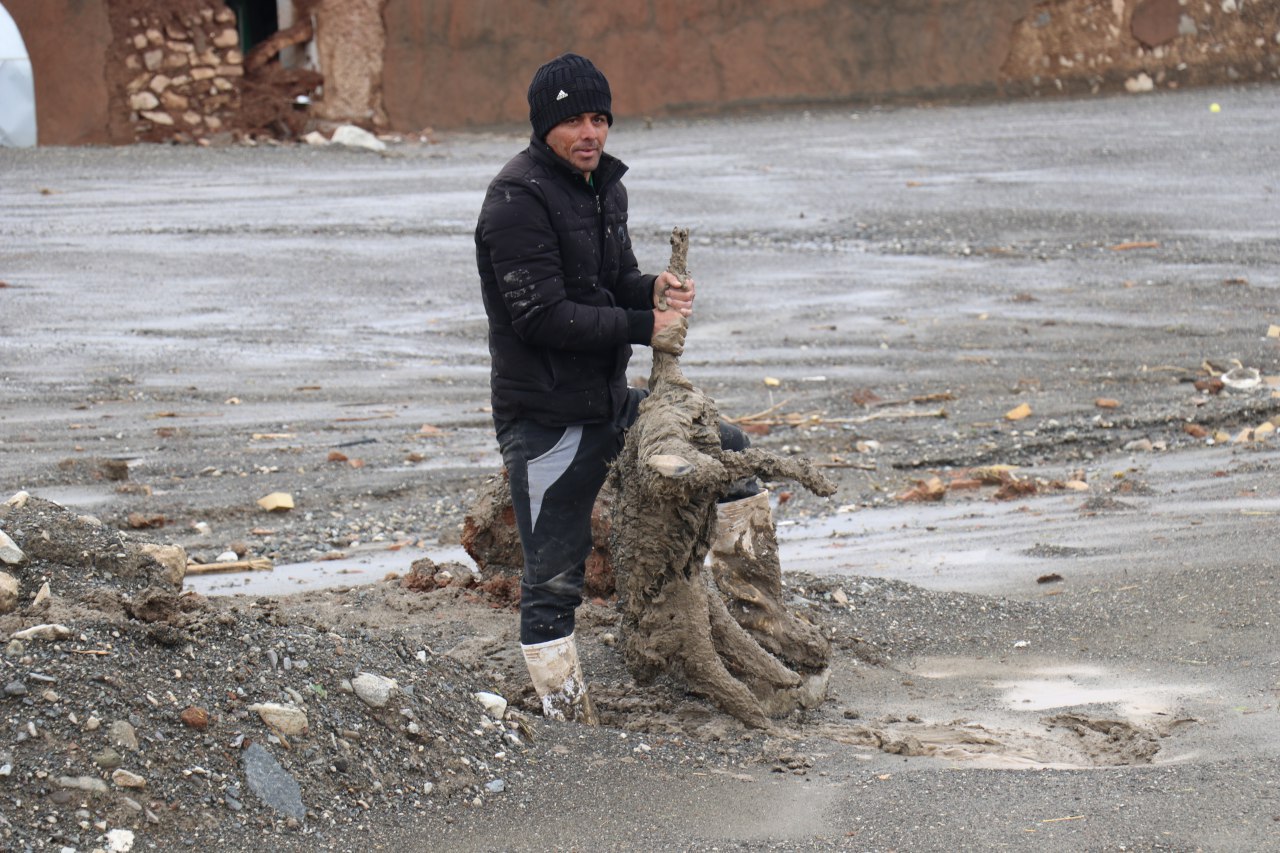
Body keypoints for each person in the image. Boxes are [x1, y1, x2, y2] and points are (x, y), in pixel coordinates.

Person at [475, 53, 757, 724]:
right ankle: (568, 720)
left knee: (734, 454)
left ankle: (759, 618)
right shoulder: (515, 199)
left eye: (599, 117)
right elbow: (540, 316)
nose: (590, 132)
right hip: (546, 420)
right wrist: (645, 324)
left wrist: (653, 288)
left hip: (610, 402)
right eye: (573, 119)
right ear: (546, 124)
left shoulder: (604, 187)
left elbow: (611, 282)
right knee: (552, 578)